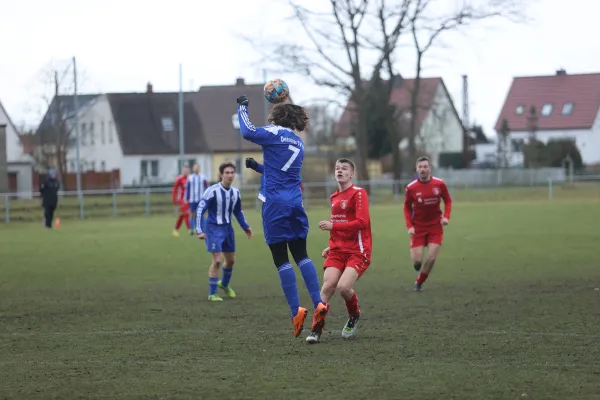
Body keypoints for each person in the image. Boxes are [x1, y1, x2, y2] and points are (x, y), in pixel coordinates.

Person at [236, 96, 324, 338]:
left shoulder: (272, 134)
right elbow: (281, 170)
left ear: (276, 117)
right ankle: (319, 304)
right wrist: (258, 167)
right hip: (295, 203)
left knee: (280, 258)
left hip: (274, 204)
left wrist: (242, 106)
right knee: (301, 254)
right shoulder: (297, 141)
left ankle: (296, 311)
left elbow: (247, 131)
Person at [305, 159, 372, 343]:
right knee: (327, 287)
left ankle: (354, 315)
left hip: (358, 251)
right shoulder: (334, 197)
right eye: (337, 168)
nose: (339, 171)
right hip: (337, 250)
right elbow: (341, 227)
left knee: (343, 288)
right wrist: (332, 245)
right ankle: (316, 330)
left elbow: (361, 223)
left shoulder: (359, 193)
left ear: (352, 174)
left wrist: (333, 225)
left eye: (344, 168)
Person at [196, 162, 253, 301]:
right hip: (213, 228)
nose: (230, 175)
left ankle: (224, 284)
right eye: (227, 173)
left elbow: (238, 211)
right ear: (221, 175)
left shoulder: (235, 192)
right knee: (217, 261)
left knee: (231, 261)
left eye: (232, 172)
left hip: (228, 229)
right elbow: (200, 209)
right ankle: (212, 294)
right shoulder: (212, 191)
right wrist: (199, 230)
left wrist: (246, 227)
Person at [403, 156, 452, 291]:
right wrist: (410, 226)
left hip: (435, 226)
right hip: (418, 228)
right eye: (420, 167)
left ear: (430, 168)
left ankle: (419, 282)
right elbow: (406, 207)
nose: (423, 169)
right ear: (417, 169)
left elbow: (448, 200)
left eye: (425, 167)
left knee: (431, 258)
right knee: (417, 263)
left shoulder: (439, 184)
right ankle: (414, 249)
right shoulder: (411, 188)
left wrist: (446, 217)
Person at [185, 163, 209, 235]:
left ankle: (203, 229)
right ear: (193, 168)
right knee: (192, 214)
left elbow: (207, 187)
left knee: (202, 214)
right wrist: (186, 198)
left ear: (199, 168)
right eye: (195, 167)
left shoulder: (203, 177)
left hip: (201, 199)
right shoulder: (190, 177)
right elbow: (188, 188)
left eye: (197, 167)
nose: (196, 169)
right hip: (192, 199)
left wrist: (207, 196)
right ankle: (192, 229)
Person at [172, 165, 190, 237]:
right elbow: (174, 189)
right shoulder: (179, 179)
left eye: (187, 170)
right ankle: (190, 229)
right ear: (182, 171)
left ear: (189, 171)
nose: (185, 172)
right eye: (184, 170)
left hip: (190, 200)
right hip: (182, 199)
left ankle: (175, 230)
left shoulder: (191, 178)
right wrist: (174, 200)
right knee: (186, 213)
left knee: (182, 215)